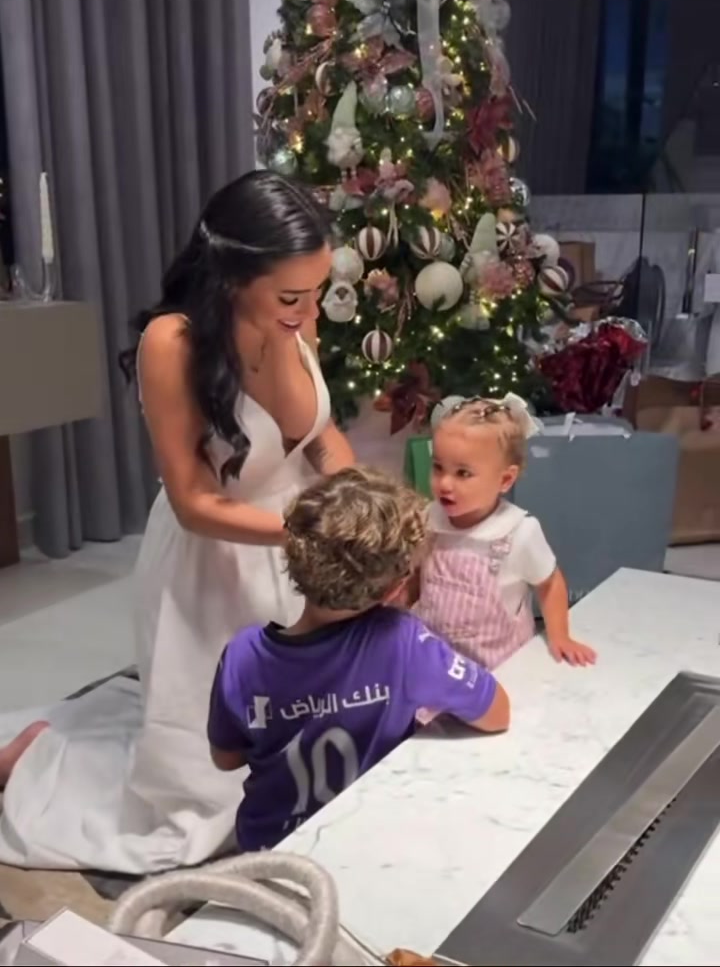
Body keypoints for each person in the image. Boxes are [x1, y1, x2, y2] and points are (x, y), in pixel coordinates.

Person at [0, 170, 354, 873]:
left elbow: (320, 436)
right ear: (233, 277)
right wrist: (311, 532)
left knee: (307, 758)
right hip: (212, 560)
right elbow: (194, 504)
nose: (309, 310)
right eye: (291, 296)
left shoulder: (296, 317)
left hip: (297, 551)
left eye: (317, 291)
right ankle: (37, 759)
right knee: (205, 804)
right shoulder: (174, 342)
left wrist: (359, 499)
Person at [207, 465, 510, 852]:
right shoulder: (403, 642)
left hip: (269, 850)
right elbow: (497, 712)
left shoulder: (243, 655)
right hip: (368, 845)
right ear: (393, 589)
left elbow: (227, 758)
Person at [411, 395, 596, 671]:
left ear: (505, 479)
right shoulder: (430, 518)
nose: (445, 483)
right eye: (438, 467)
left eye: (463, 473)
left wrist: (559, 635)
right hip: (435, 661)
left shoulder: (518, 531)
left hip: (497, 666)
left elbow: (549, 583)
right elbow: (419, 578)